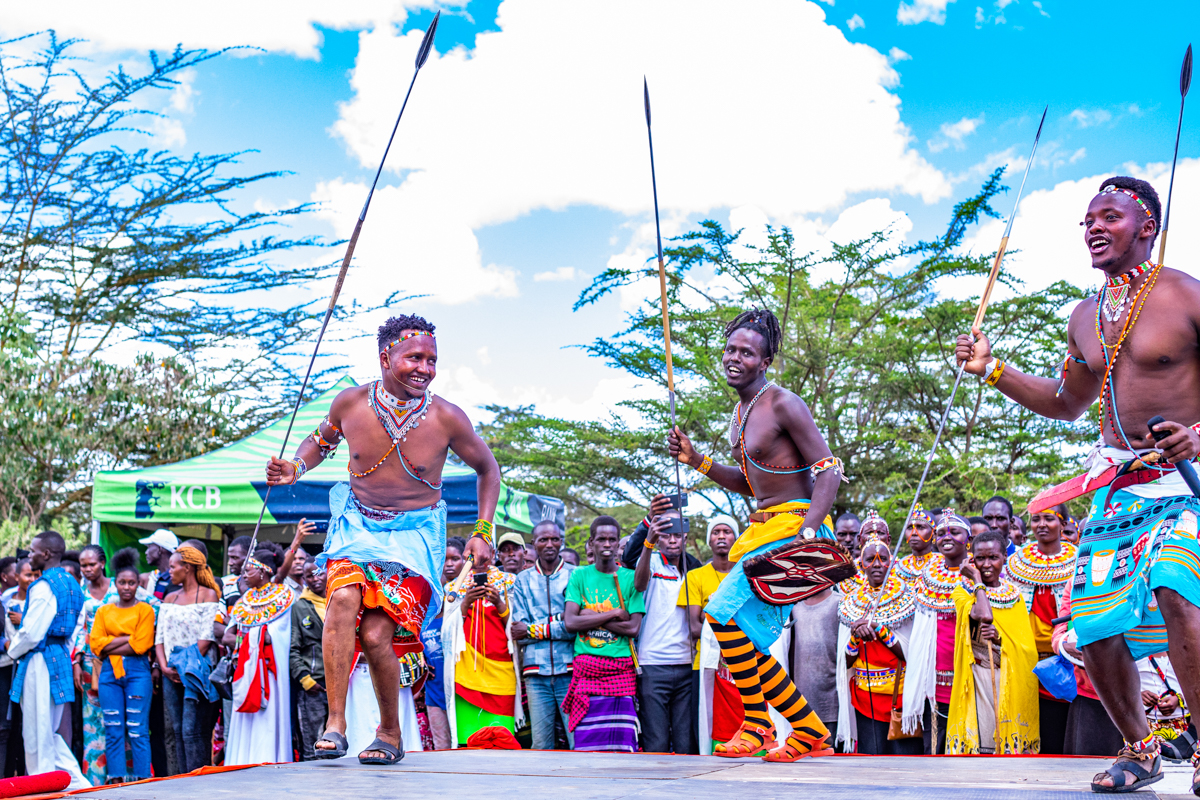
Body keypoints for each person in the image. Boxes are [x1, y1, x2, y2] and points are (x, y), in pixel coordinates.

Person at [956, 175, 1200, 793]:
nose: (1093, 227)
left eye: (1110, 216)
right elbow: (1068, 401)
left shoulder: (1186, 296)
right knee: (1090, 623)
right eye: (1087, 219)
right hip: (1118, 488)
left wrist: (1198, 435)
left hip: (1184, 484)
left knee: (1175, 587)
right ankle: (1140, 751)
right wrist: (994, 370)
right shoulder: (1085, 317)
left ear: (1147, 227)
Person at [265, 314, 501, 764]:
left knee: (376, 637)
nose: (425, 368)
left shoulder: (447, 417)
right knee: (342, 600)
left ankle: (389, 731)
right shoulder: (351, 403)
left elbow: (488, 469)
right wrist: (295, 467)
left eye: (432, 360)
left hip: (413, 536)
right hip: (356, 525)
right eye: (415, 357)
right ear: (385, 356)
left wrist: (483, 531)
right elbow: (320, 440)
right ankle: (335, 724)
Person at [668, 308, 845, 762]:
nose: (735, 358)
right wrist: (697, 461)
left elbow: (829, 470)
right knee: (738, 630)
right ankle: (802, 727)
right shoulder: (740, 413)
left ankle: (762, 723)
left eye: (747, 352)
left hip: (795, 525)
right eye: (730, 349)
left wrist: (809, 531)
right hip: (762, 527)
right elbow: (755, 482)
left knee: (719, 613)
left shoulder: (783, 402)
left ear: (765, 361)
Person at [5, 531, 88, 788]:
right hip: (59, 656)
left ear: (46, 554)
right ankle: (77, 783)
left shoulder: (43, 586)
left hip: (40, 659)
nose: (29, 556)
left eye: (32, 551)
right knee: (49, 732)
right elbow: (74, 627)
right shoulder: (72, 583)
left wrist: (11, 652)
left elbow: (31, 632)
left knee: (36, 732)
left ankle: (41, 788)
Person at [946, 530, 1040, 754]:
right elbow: (984, 614)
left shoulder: (1014, 595)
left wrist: (999, 638)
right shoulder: (962, 592)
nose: (986, 564)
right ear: (971, 560)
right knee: (982, 740)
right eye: (980, 558)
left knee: (1004, 742)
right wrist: (977, 580)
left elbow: (1025, 647)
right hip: (977, 676)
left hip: (1008, 676)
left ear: (1004, 558)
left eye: (993, 558)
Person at [562, 517, 644, 753]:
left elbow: (633, 629)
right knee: (588, 746)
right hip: (587, 671)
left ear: (619, 543)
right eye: (601, 539)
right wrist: (615, 613)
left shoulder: (630, 578)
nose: (606, 543)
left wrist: (590, 615)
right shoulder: (579, 575)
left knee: (623, 742)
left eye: (612, 539)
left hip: (621, 671)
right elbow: (570, 622)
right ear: (591, 543)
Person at [835, 535, 918, 754]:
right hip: (864, 698)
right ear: (861, 564)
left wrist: (881, 631)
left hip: (899, 696)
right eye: (871, 559)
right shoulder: (851, 601)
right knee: (871, 759)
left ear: (891, 561)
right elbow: (845, 661)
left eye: (883, 559)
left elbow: (911, 653)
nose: (877, 564)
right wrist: (855, 636)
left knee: (904, 760)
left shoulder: (908, 597)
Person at [1008, 501, 1077, 754]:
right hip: (1023, 658)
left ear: (1063, 523)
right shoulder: (1015, 563)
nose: (1041, 525)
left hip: (1065, 659)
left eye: (1049, 518)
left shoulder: (1079, 559)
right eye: (1036, 519)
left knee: (1059, 725)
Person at [902, 509, 971, 755]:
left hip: (971, 672)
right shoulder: (926, 577)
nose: (947, 537)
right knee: (935, 743)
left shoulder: (980, 574)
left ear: (968, 539)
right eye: (941, 533)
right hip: (935, 675)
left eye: (955, 532)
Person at [90, 548, 156, 784]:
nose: (127, 587)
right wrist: (127, 639)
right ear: (114, 584)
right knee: (113, 728)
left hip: (138, 672)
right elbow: (95, 645)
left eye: (132, 583)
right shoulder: (104, 611)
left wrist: (110, 643)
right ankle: (115, 778)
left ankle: (142, 780)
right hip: (109, 674)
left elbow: (142, 645)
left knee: (138, 728)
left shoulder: (145, 610)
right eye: (122, 582)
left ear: (139, 584)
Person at [633, 504, 695, 755]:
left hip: (687, 665)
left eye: (677, 534)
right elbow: (639, 584)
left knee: (685, 743)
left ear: (686, 538)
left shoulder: (693, 568)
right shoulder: (650, 562)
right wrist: (648, 544)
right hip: (652, 665)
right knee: (656, 741)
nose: (672, 540)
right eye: (666, 534)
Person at [441, 546, 518, 746]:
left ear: (492, 554)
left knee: (503, 741)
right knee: (468, 742)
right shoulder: (453, 588)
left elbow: (518, 628)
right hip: (466, 672)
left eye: (484, 554)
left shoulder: (510, 583)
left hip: (502, 671)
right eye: (472, 555)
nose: (479, 559)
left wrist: (499, 604)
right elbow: (446, 633)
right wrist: (465, 603)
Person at [156, 543, 222, 774]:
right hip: (171, 671)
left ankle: (197, 782)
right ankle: (180, 780)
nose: (169, 571)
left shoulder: (208, 594)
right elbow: (160, 636)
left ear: (187, 567)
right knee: (175, 729)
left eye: (173, 567)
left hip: (195, 671)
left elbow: (206, 639)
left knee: (191, 730)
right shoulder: (170, 597)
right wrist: (164, 667)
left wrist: (180, 666)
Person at [225, 547, 296, 765]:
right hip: (246, 667)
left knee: (268, 715)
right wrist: (250, 636)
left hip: (268, 670)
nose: (244, 575)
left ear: (263, 572)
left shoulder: (284, 596)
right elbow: (230, 632)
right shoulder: (245, 598)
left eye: (248, 571)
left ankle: (266, 759)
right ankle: (241, 760)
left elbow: (277, 635)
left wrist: (249, 635)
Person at [511, 521, 575, 751]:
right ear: (533, 545)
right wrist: (559, 622)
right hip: (535, 672)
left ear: (561, 542)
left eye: (554, 539)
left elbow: (574, 626)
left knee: (576, 739)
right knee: (541, 745)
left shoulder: (575, 576)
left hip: (571, 670)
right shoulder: (522, 579)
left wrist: (533, 629)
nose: (549, 544)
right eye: (543, 540)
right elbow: (519, 632)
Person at [683, 515, 740, 754]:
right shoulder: (695, 576)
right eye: (716, 532)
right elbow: (695, 628)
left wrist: (714, 617)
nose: (721, 537)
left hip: (744, 664)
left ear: (736, 538)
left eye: (727, 531)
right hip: (706, 664)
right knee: (708, 725)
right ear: (709, 539)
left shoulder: (746, 575)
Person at [1052, 578, 1124, 757]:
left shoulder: (1137, 574)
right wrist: (1063, 645)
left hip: (1132, 691)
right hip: (1088, 692)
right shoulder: (1075, 582)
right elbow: (1060, 631)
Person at [422, 536, 466, 751]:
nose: (448, 565)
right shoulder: (424, 616)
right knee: (441, 745)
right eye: (443, 561)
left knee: (462, 742)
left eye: (454, 559)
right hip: (433, 690)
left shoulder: (462, 611)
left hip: (460, 687)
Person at [73, 544, 110, 786]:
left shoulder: (123, 586)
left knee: (120, 718)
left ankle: (123, 777)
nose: (87, 569)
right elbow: (77, 630)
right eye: (83, 566)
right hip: (89, 666)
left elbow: (152, 612)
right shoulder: (79, 593)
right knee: (93, 721)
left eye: (92, 564)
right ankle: (94, 781)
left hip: (122, 662)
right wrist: (76, 661)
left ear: (102, 564)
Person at [290, 556, 327, 760]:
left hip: (341, 683)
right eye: (308, 576)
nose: (315, 579)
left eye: (319, 572)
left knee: (338, 742)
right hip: (313, 685)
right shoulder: (300, 607)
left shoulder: (338, 601)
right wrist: (305, 679)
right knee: (311, 745)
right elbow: (293, 649)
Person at [1139, 653, 1195, 763]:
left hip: (1186, 727)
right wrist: (1137, 695)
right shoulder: (1132, 651)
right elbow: (1117, 686)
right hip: (1144, 730)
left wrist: (1180, 699)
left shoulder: (1186, 649)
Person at [894, 504, 937, 586]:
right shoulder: (897, 567)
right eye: (910, 528)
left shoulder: (942, 564)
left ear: (934, 534)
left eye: (920, 527)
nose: (914, 533)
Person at [138, 529, 180, 601]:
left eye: (149, 547)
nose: (146, 552)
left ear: (160, 549)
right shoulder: (155, 578)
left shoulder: (176, 578)